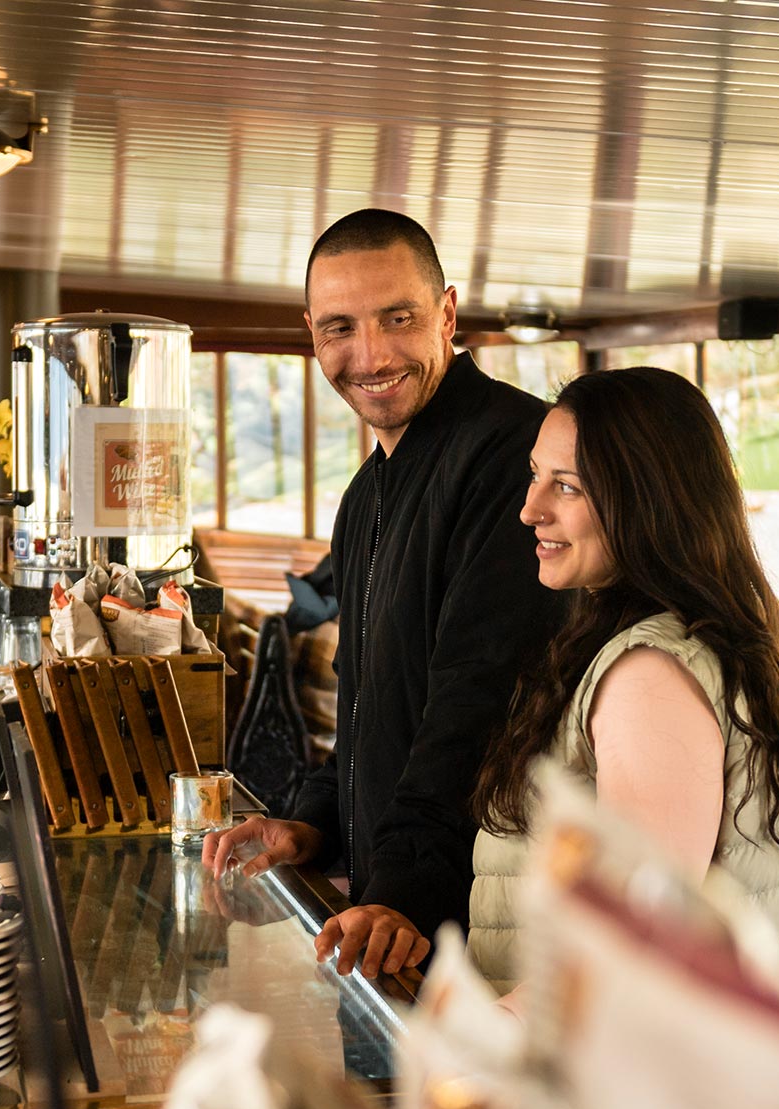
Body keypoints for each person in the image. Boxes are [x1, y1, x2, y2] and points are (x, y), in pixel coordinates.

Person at [201, 209, 562, 981]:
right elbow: (371, 708)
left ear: (448, 315)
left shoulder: (511, 458)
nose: (369, 355)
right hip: (385, 922)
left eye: (397, 318)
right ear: (310, 334)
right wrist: (311, 824)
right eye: (339, 328)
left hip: (478, 931)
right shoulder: (365, 495)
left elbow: (479, 705)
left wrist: (403, 893)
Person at [466, 366, 779, 1066]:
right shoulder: (644, 637)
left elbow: (631, 938)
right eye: (535, 474)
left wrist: (471, 1047)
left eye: (567, 487)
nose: (530, 508)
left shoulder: (650, 673)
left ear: (647, 503)